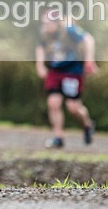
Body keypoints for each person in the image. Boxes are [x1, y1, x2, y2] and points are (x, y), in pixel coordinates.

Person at [35, 9, 98, 148]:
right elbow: (40, 47)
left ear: (56, 22)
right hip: (55, 70)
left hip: (72, 71)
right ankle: (58, 138)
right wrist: (39, 65)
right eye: (43, 23)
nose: (45, 26)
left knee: (73, 107)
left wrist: (89, 60)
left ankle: (87, 124)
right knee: (53, 103)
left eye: (48, 23)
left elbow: (88, 39)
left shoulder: (69, 30)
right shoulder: (44, 33)